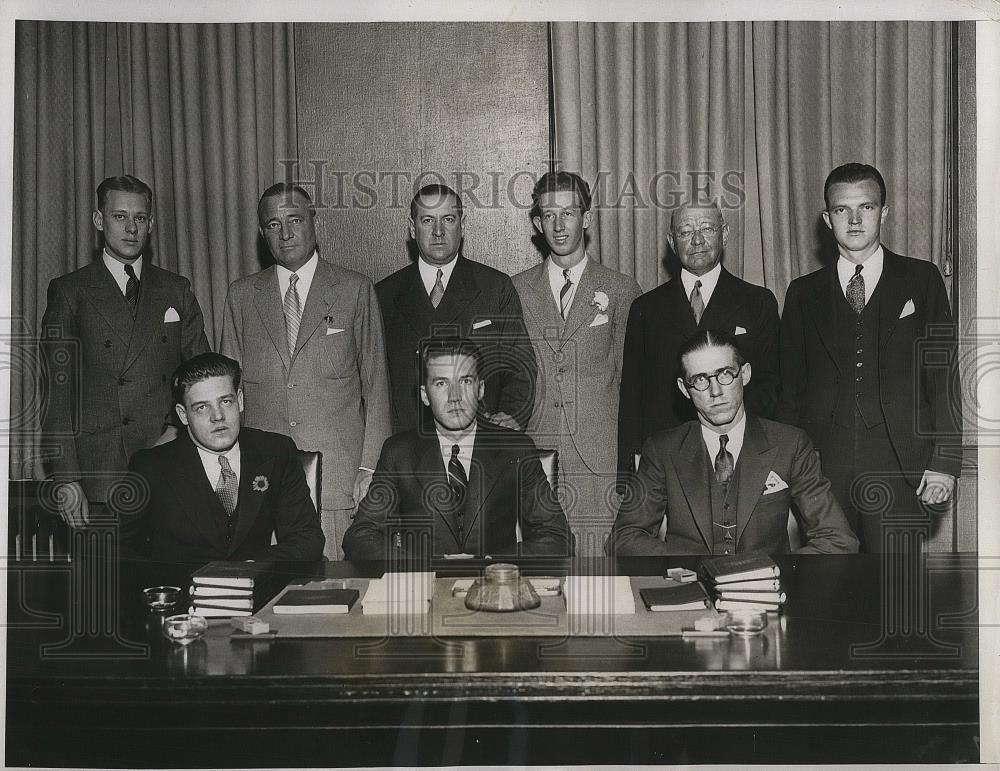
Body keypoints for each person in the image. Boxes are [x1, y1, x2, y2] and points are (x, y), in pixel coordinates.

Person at [779, 163, 962, 552]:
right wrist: (785, 466)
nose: (856, 219)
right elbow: (789, 390)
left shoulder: (922, 280)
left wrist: (944, 462)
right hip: (823, 468)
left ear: (885, 212)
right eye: (843, 210)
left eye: (867, 207)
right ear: (828, 219)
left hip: (900, 463)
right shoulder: (802, 293)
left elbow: (943, 376)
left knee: (896, 591)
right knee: (827, 589)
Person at [220, 183, 391, 559]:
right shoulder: (242, 296)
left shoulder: (355, 289)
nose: (285, 233)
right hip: (264, 487)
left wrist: (369, 467)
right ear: (262, 233)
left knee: (340, 599)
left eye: (295, 220)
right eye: (273, 224)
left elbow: (377, 386)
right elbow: (227, 395)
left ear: (315, 221)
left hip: (338, 484)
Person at [40, 175, 210, 527]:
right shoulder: (70, 291)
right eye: (120, 217)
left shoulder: (176, 289)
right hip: (99, 474)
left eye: (140, 218)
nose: (131, 228)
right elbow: (57, 393)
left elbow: (201, 377)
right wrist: (67, 478)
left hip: (168, 462)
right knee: (106, 579)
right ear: (99, 221)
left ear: (152, 223)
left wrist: (175, 431)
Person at [609, 330, 858, 556]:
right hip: (692, 593)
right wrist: (689, 571)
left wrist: (771, 573)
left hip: (767, 592)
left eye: (725, 374)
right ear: (684, 389)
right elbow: (624, 538)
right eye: (700, 380)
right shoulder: (662, 450)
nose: (715, 391)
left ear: (745, 374)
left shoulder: (790, 444)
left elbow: (838, 538)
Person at [343, 337, 572, 560]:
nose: (455, 397)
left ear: (480, 389)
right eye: (441, 383)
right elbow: (360, 537)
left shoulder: (516, 450)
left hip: (493, 586)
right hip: (423, 589)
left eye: (465, 382)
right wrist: (421, 569)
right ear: (424, 395)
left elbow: (558, 538)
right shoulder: (399, 453)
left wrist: (491, 562)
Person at [512, 171, 641, 555]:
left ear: (586, 218)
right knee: (539, 569)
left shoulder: (621, 289)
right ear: (537, 224)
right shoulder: (516, 290)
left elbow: (629, 383)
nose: (559, 224)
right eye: (548, 215)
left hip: (600, 456)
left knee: (600, 570)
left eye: (568, 213)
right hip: (537, 450)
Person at [618, 199, 779, 482]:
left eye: (707, 229)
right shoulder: (646, 308)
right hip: (667, 463)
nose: (697, 240)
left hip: (739, 456)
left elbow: (772, 385)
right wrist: (630, 475)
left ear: (725, 234)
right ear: (671, 241)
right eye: (685, 232)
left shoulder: (758, 302)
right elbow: (632, 396)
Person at [120, 353, 325, 562]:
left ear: (240, 400)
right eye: (202, 407)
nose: (217, 416)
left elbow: (307, 538)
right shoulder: (150, 467)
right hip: (183, 590)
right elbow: (113, 548)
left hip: (257, 587)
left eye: (225, 402)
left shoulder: (276, 451)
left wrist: (253, 567)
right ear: (183, 415)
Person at [375, 183, 536, 434]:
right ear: (412, 228)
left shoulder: (495, 287)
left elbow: (520, 367)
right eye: (427, 220)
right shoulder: (384, 294)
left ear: (463, 224)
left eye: (448, 219)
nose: (438, 231)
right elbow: (374, 381)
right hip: (408, 446)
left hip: (480, 441)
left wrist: (510, 418)